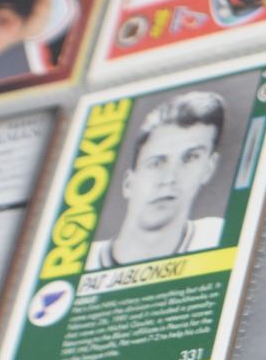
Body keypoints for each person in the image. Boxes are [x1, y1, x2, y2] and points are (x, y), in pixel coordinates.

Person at [87, 90, 227, 270]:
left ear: (208, 167)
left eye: (190, 158)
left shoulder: (216, 238)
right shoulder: (84, 263)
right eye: (156, 163)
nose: (169, 179)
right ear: (128, 183)